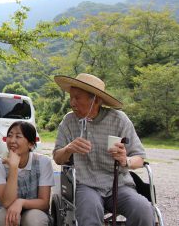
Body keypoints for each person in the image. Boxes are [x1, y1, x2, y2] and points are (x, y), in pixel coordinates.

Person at [52, 73, 155, 226]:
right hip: (85, 185)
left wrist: (124, 160)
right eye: (71, 97)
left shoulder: (119, 120)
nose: (72, 103)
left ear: (96, 100)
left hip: (119, 185)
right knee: (89, 213)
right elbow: (57, 157)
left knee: (144, 209)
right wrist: (68, 149)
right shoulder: (69, 121)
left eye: (77, 97)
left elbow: (139, 158)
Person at [0, 121, 54, 226]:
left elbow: (44, 203)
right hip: (6, 208)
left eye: (18, 136)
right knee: (4, 218)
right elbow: (6, 202)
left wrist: (21, 202)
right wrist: (13, 168)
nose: (12, 140)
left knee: (34, 220)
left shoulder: (43, 162)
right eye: (9, 136)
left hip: (35, 210)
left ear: (31, 144)